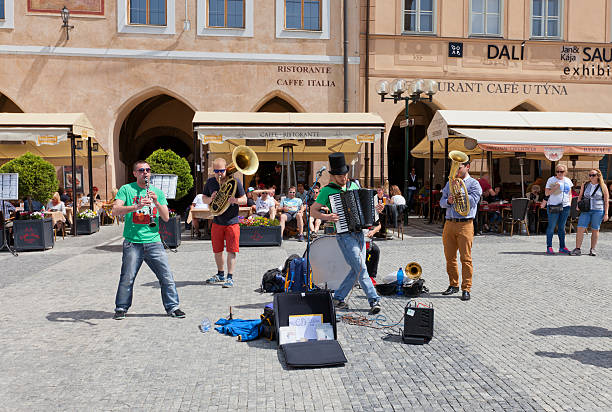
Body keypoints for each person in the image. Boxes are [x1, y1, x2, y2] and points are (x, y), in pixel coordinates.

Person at [310, 152, 384, 315]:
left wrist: (377, 211)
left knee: (356, 268)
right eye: (339, 175)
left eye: (344, 174)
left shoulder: (354, 186)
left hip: (359, 233)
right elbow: (313, 211)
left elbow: (368, 210)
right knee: (361, 268)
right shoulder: (327, 191)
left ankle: (338, 298)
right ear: (334, 175)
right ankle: (374, 300)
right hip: (343, 234)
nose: (343, 178)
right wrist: (327, 216)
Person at [111, 160, 184, 320]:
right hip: (133, 242)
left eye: (148, 170)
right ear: (135, 173)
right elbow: (115, 210)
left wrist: (156, 201)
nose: (145, 173)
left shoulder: (156, 191)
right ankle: (121, 308)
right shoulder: (126, 189)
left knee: (166, 276)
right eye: (141, 170)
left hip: (153, 241)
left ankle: (173, 307)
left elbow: (165, 217)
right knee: (127, 277)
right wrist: (135, 207)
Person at [439, 156, 482, 301]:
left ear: (467, 167)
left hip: (465, 224)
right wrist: (448, 201)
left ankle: (466, 288)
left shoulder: (474, 184)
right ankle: (453, 285)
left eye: (459, 166)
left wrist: (459, 193)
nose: (456, 169)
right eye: (455, 166)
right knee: (449, 258)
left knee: (466, 258)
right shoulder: (449, 183)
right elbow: (441, 202)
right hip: (449, 223)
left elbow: (474, 201)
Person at [203, 157, 247, 288]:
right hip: (217, 221)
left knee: (232, 250)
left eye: (221, 170)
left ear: (226, 169)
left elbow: (244, 199)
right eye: (216, 171)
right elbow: (203, 198)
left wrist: (235, 201)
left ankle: (230, 277)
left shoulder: (235, 181)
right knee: (217, 250)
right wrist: (211, 198)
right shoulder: (210, 182)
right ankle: (220, 274)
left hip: (232, 221)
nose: (219, 173)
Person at [570, 169, 609, 256]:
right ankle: (577, 249)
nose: (591, 177)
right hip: (586, 210)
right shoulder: (586, 184)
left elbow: (606, 201)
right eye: (590, 175)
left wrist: (606, 213)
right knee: (580, 228)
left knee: (595, 229)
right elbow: (580, 196)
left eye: (593, 175)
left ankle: (593, 249)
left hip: (598, 210)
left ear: (598, 175)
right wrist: (578, 205)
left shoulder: (603, 186)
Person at [544, 164, 573, 255]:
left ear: (565, 172)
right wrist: (554, 188)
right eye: (558, 171)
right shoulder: (551, 180)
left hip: (565, 207)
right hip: (553, 206)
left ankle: (562, 247)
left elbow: (570, 193)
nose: (559, 173)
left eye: (562, 171)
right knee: (551, 227)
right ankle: (549, 247)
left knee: (562, 227)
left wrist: (569, 203)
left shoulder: (568, 180)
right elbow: (547, 193)